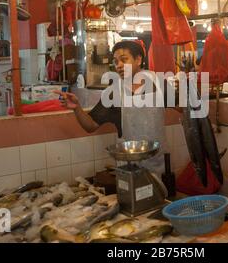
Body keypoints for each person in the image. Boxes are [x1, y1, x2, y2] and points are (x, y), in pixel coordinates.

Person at [57, 41, 175, 176]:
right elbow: (90, 125)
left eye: (124, 60)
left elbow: (184, 109)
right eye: (116, 61)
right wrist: (76, 108)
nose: (118, 65)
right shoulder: (114, 93)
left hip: (159, 164)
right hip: (129, 167)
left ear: (138, 59)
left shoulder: (159, 84)